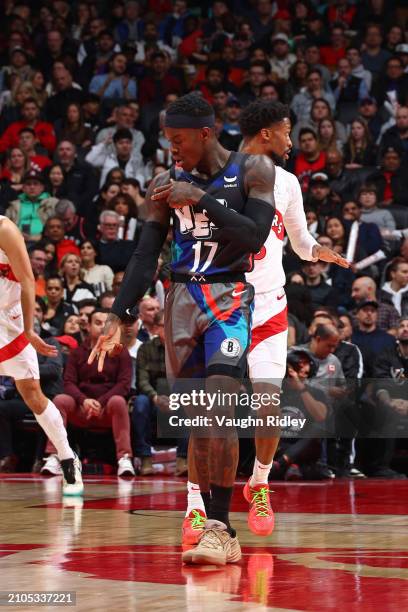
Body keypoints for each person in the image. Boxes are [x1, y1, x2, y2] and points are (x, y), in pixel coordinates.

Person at [89, 92, 277, 566]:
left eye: (179, 141)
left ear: (206, 133)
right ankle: (207, 519)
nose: (172, 149)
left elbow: (254, 237)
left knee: (218, 406)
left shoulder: (253, 170)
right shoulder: (163, 181)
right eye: (168, 141)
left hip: (229, 297)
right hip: (179, 301)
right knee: (198, 419)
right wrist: (120, 312)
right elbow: (145, 251)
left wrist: (202, 199)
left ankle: (221, 528)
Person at [0, 215, 82, 494]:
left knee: (32, 393)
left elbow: (26, 279)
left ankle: (67, 455)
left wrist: (29, 330)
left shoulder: (5, 230)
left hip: (10, 320)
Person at [42, 309, 134, 477]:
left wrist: (102, 401)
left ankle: (124, 458)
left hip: (106, 408)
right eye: (98, 323)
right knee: (60, 400)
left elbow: (124, 384)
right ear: (89, 327)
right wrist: (83, 400)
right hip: (81, 407)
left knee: (119, 401)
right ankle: (54, 456)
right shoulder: (77, 353)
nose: (103, 328)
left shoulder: (121, 352)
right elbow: (68, 382)